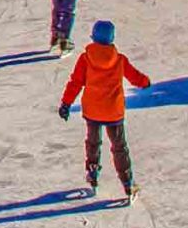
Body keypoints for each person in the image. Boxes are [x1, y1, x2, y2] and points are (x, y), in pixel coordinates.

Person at [58, 20, 150, 201]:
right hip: (113, 112)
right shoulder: (119, 60)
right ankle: (127, 183)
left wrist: (66, 104)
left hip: (92, 110)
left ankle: (92, 174)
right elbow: (135, 77)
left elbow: (75, 82)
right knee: (119, 147)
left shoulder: (85, 59)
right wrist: (145, 82)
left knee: (93, 143)